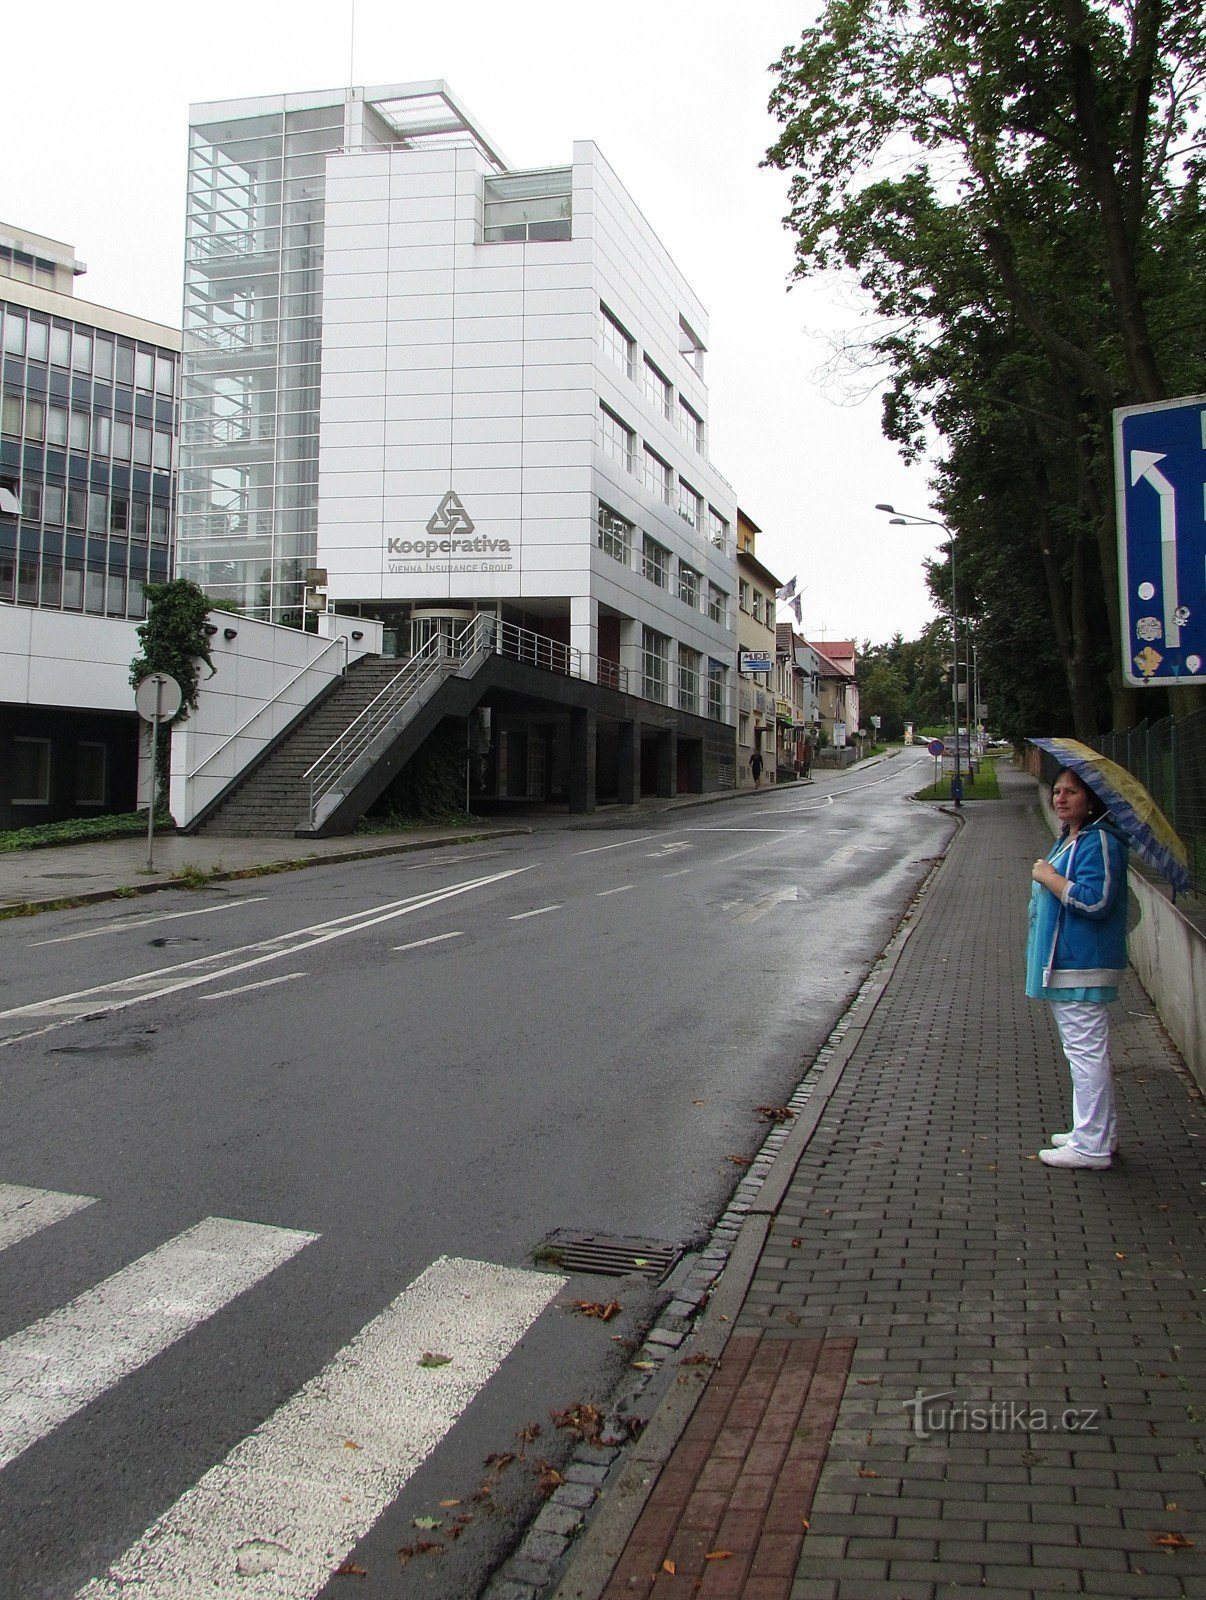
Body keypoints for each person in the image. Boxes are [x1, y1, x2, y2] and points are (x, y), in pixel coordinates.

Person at [1025, 767, 1129, 1169]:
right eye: (1057, 791)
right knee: (1083, 1053)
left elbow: (1096, 901)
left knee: (1087, 1054)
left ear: (1091, 799)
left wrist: (1050, 878)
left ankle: (1092, 1146)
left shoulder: (1099, 841)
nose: (1061, 798)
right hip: (1066, 964)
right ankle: (1096, 1131)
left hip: (1081, 964)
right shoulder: (1071, 837)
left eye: (1072, 791)